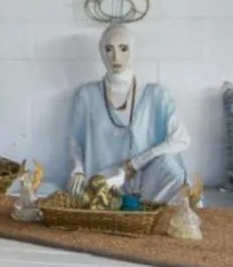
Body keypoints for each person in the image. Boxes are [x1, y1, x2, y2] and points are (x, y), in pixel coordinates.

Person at [67, 22, 189, 205]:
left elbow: (181, 139)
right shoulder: (87, 95)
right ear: (102, 53)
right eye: (109, 49)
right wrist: (78, 169)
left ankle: (151, 212)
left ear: (132, 50)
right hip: (104, 180)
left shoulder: (156, 95)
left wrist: (138, 162)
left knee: (173, 171)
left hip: (147, 179)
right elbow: (75, 141)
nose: (116, 56)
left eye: (123, 48)